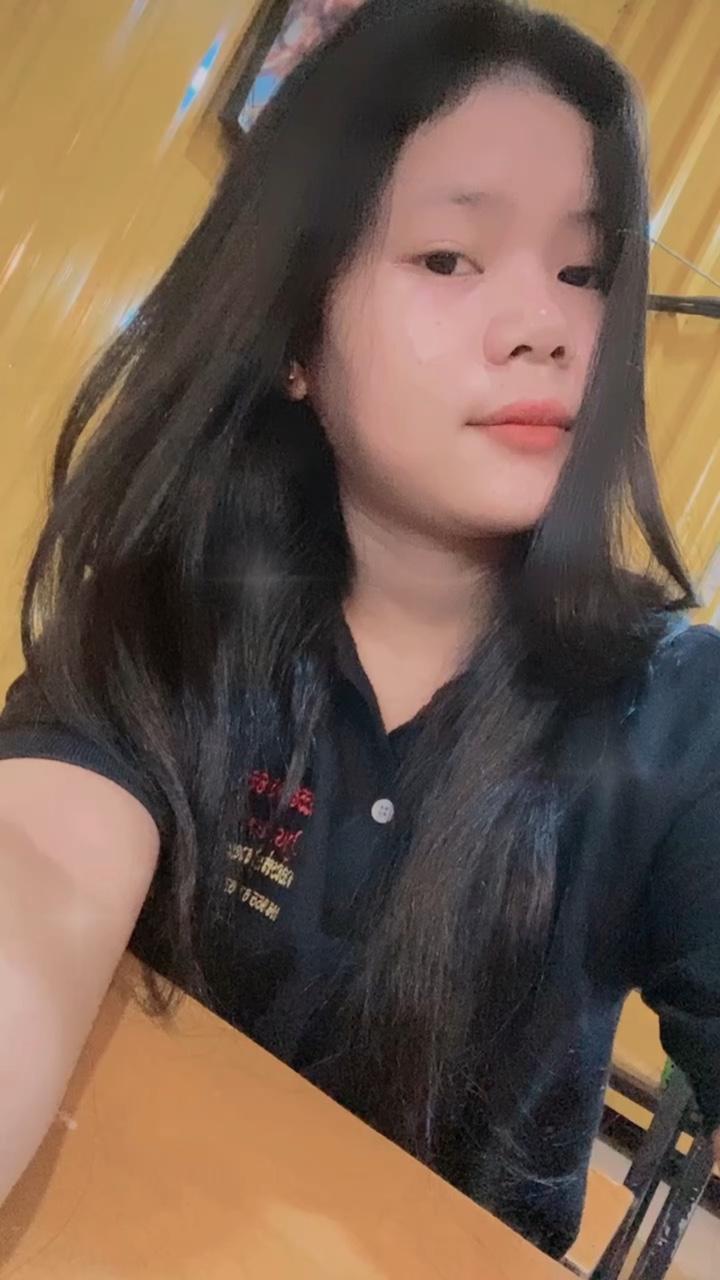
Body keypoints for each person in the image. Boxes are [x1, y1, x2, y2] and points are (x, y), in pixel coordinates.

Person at [1, 0, 718, 1259]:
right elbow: (35, 878)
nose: (546, 324)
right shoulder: (174, 619)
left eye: (583, 272)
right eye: (448, 257)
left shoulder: (677, 717)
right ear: (294, 332)